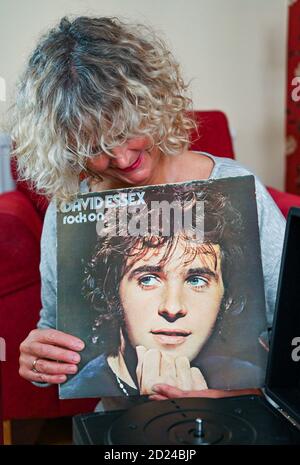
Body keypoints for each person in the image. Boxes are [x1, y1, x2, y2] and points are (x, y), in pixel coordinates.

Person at [13, 16, 285, 409]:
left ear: (151, 104)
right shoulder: (70, 209)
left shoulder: (235, 184)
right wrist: (41, 361)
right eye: (96, 146)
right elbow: (57, 331)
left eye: (125, 131)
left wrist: (239, 394)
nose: (122, 159)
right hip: (121, 422)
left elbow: (291, 323)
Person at [61, 183, 267, 399]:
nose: (173, 307)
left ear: (226, 297)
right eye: (148, 279)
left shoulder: (253, 379)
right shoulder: (80, 388)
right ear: (112, 292)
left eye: (196, 280)